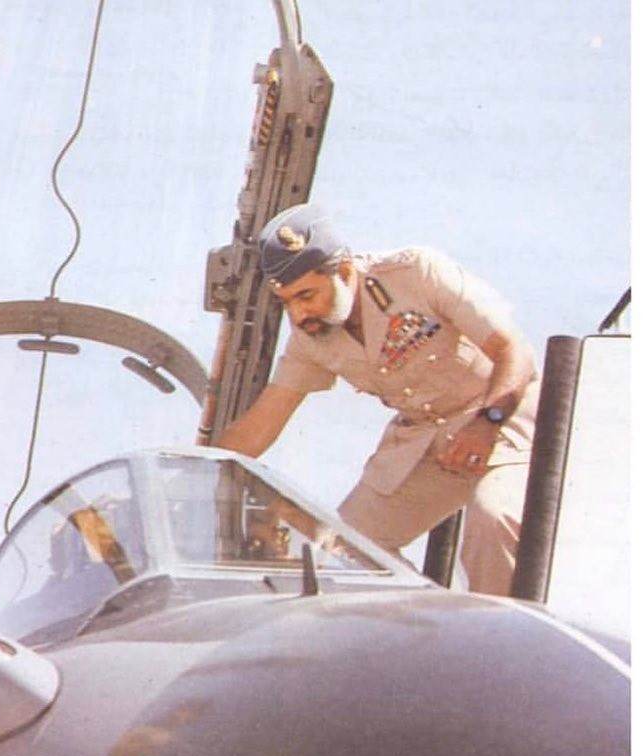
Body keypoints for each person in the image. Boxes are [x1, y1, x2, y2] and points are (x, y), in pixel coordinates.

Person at [216, 203, 540, 595]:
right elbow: (261, 424)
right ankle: (435, 621)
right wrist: (192, 467)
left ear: (344, 271)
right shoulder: (310, 337)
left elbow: (514, 352)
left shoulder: (416, 273)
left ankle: (501, 629)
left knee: (492, 518)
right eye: (287, 303)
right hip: (424, 442)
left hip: (499, 422)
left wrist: (486, 423)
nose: (299, 315)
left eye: (306, 295)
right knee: (345, 552)